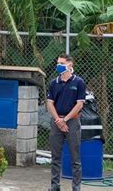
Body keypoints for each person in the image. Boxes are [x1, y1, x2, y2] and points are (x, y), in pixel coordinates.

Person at [47, 54, 86, 191]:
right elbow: (50, 103)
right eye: (58, 62)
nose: (58, 65)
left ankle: (76, 188)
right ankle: (54, 186)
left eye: (61, 63)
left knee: (75, 158)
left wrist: (66, 120)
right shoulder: (53, 83)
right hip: (56, 122)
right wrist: (58, 120)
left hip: (73, 122)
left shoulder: (79, 82)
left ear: (70, 65)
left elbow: (79, 104)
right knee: (55, 157)